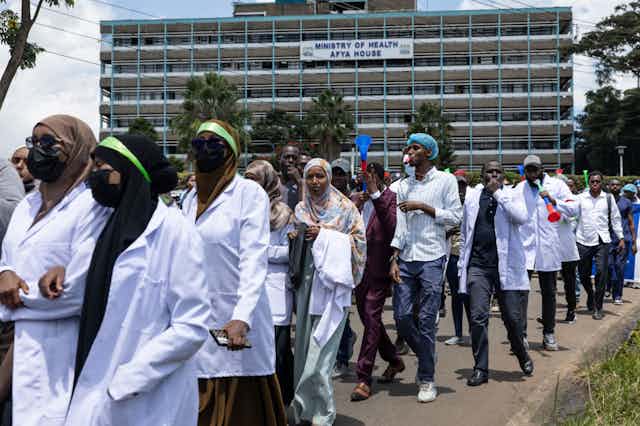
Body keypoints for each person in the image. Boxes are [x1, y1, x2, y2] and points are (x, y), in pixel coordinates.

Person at [62, 134, 210, 425]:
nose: (95, 175)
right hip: (93, 378)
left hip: (146, 394)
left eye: (103, 167)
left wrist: (130, 379)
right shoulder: (102, 225)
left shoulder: (174, 231)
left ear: (128, 170)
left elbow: (191, 325)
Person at [0, 115, 110, 426]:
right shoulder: (27, 204)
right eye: (33, 142)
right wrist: (4, 273)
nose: (37, 150)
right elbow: (8, 257)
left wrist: (16, 297)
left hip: (59, 347)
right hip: (13, 340)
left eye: (48, 143)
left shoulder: (92, 206)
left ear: (76, 150)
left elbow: (78, 289)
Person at [182, 120, 286, 426]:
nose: (205, 150)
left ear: (231, 152)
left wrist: (242, 316)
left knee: (240, 404)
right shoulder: (188, 200)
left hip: (237, 317)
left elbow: (254, 257)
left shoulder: (248, 193)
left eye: (214, 144)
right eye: (199, 144)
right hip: (198, 318)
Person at [290, 158, 366, 425]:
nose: (314, 182)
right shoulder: (300, 208)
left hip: (332, 289)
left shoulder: (346, 209)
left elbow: (359, 243)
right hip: (307, 287)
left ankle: (323, 416)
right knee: (302, 353)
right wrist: (297, 235)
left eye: (319, 176)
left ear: (329, 178)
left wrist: (323, 233)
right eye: (310, 177)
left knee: (321, 357)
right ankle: (302, 411)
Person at [389, 133, 462, 403]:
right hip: (407, 257)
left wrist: (425, 207)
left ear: (429, 153)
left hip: (433, 256)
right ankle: (427, 354)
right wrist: (394, 258)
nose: (410, 150)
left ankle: (427, 378)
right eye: (408, 147)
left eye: (415, 147)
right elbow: (401, 224)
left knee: (427, 320)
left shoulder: (446, 180)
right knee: (402, 317)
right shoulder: (403, 185)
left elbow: (456, 216)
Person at [458, 161, 534, 386]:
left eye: (497, 172)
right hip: (478, 267)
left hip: (506, 267)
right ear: (482, 176)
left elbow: (521, 217)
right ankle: (480, 368)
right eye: (489, 172)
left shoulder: (512, 195)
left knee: (512, 318)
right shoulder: (472, 198)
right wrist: (463, 263)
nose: (493, 175)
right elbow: (465, 233)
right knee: (478, 318)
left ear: (503, 176)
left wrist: (498, 195)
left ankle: (522, 353)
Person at [350, 162, 403, 402]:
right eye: (365, 177)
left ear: (383, 178)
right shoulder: (357, 200)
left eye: (373, 177)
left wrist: (375, 194)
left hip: (380, 270)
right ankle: (393, 359)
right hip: (358, 271)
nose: (368, 180)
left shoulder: (391, 198)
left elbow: (393, 228)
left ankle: (363, 377)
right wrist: (356, 205)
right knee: (369, 320)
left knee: (371, 319)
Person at [245, 160, 295, 407]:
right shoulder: (241, 210)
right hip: (247, 288)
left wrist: (257, 251)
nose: (249, 184)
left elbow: (289, 253)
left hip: (275, 288)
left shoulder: (283, 213)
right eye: (247, 178)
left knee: (279, 351)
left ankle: (285, 402)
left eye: (254, 179)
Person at [516, 155, 577, 351]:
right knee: (521, 294)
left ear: (541, 169)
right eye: (528, 170)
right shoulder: (519, 189)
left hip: (548, 248)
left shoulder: (557, 186)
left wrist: (554, 200)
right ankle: (521, 335)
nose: (532, 173)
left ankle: (549, 333)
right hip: (525, 248)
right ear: (524, 171)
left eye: (535, 169)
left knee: (549, 293)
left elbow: (575, 207)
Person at [575, 171, 625, 320]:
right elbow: (572, 216)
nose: (595, 184)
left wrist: (621, 237)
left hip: (603, 241)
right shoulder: (580, 198)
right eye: (592, 182)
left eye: (597, 181)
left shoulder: (608, 199)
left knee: (602, 273)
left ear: (601, 183)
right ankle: (590, 293)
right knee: (583, 274)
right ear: (589, 183)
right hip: (583, 240)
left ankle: (598, 306)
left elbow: (615, 220)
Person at [330, 157, 358, 378]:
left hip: (348, 262)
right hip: (326, 261)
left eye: (342, 173)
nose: (338, 177)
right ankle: (346, 339)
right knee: (330, 312)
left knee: (341, 310)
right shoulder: (324, 199)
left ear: (348, 176)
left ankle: (341, 358)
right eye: (335, 172)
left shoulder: (356, 199)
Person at [444, 174, 472, 346]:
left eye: (462, 186)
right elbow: (439, 230)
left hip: (468, 258)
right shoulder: (448, 205)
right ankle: (458, 333)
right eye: (457, 186)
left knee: (468, 296)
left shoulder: (472, 204)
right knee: (455, 296)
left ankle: (473, 331)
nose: (460, 190)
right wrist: (450, 230)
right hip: (453, 256)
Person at [607, 179, 637, 305]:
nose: (614, 186)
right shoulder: (604, 200)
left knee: (619, 268)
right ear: (608, 186)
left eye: (617, 184)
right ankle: (608, 287)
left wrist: (634, 242)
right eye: (612, 184)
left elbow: (631, 222)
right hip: (607, 239)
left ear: (621, 187)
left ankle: (617, 295)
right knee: (608, 266)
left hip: (623, 240)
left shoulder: (627, 202)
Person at [555, 174, 580, 324]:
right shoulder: (549, 201)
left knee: (569, 281)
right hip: (551, 247)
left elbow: (571, 218)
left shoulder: (573, 201)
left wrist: (555, 204)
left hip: (567, 248)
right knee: (550, 284)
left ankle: (571, 310)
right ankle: (549, 315)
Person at [279, 144, 303, 211]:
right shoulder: (273, 183)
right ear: (279, 159)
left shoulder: (305, 184)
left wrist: (299, 183)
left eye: (294, 158)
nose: (290, 160)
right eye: (287, 157)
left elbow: (305, 211)